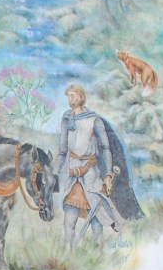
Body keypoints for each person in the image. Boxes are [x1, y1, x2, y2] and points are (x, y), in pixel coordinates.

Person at [53, 83, 143, 248]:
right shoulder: (66, 118)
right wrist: (54, 172)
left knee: (96, 221)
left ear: (80, 97)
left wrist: (108, 175)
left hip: (90, 176)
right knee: (68, 220)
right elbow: (62, 150)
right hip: (72, 176)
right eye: (68, 96)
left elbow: (105, 148)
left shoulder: (94, 119)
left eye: (72, 96)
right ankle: (68, 255)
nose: (69, 99)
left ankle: (98, 256)